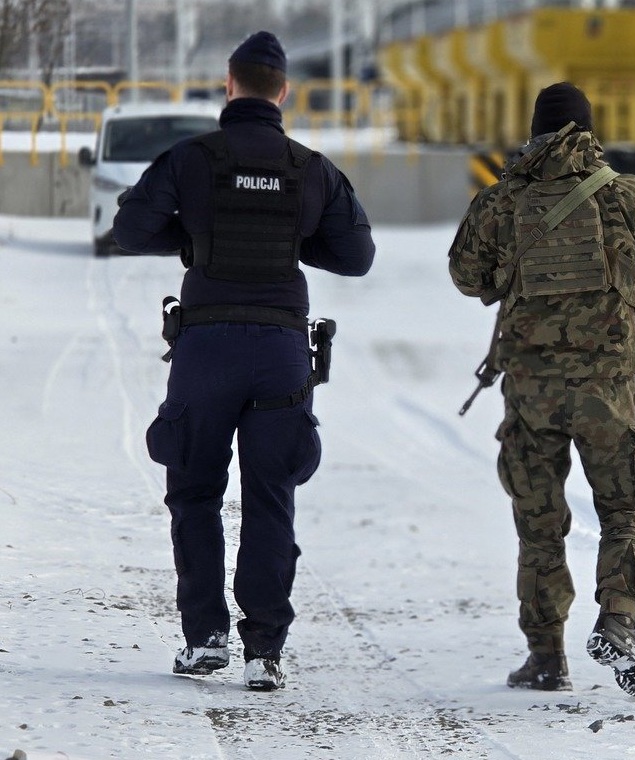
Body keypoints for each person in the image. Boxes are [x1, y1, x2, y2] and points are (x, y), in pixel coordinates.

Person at [113, 31, 375, 691]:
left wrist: (200, 241)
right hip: (282, 351)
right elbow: (356, 255)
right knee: (271, 495)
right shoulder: (309, 167)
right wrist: (291, 240)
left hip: (206, 349)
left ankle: (204, 637)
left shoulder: (191, 159)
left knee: (195, 490)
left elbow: (128, 229)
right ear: (282, 93)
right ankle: (264, 652)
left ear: (229, 86)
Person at [448, 82, 635, 698]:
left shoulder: (501, 202)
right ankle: (618, 621)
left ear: (534, 133)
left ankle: (545, 656)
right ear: (589, 130)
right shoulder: (628, 197)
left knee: (539, 521)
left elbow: (464, 275)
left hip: (529, 392)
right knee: (628, 506)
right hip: (607, 389)